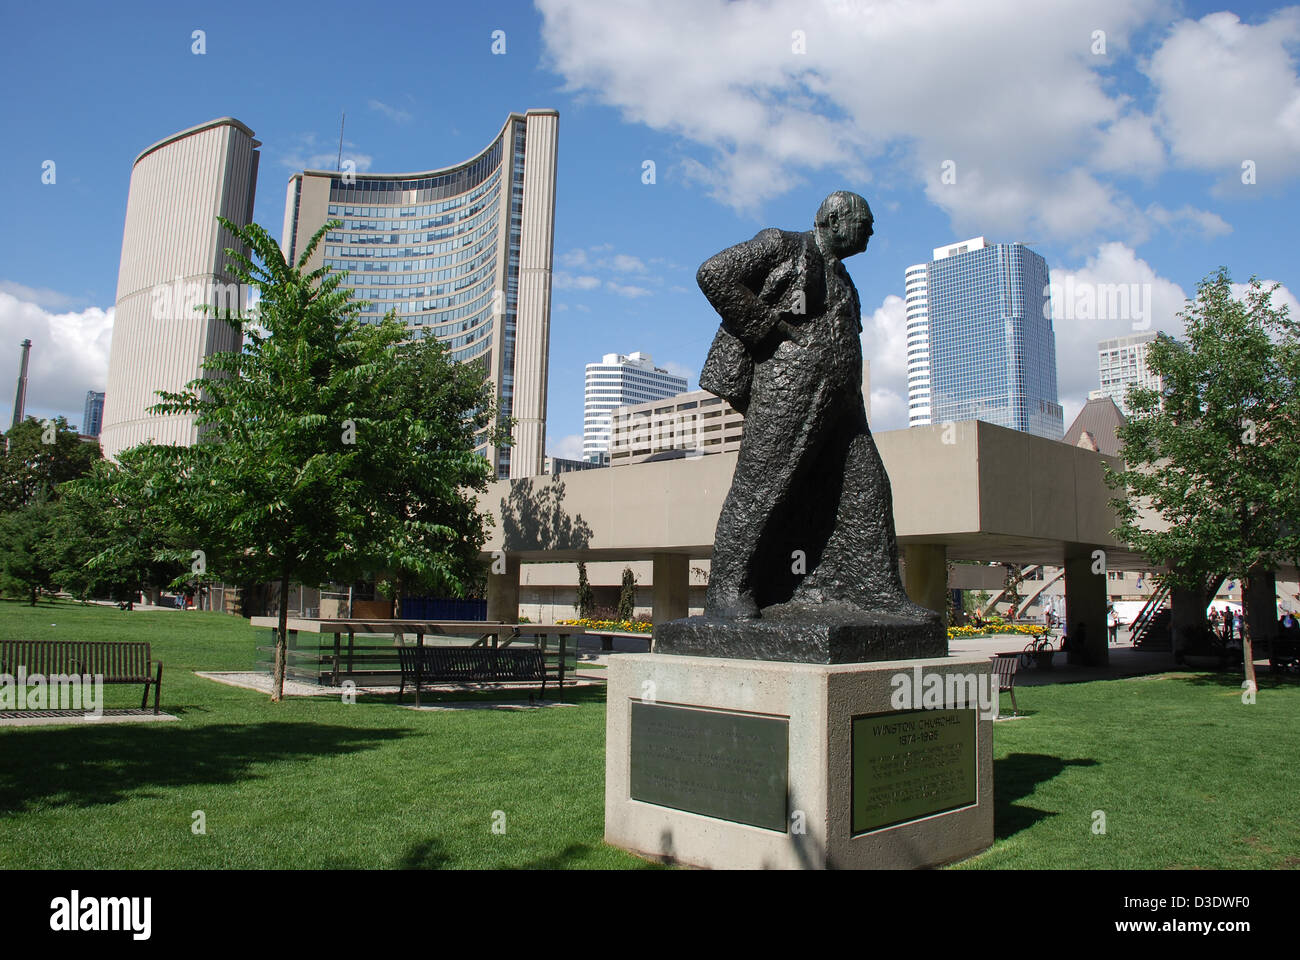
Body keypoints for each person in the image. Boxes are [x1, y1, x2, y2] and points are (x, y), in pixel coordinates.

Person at [696, 191, 932, 624]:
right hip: (787, 388)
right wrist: (768, 330)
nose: (872, 230)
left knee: (868, 487)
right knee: (761, 487)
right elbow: (713, 273)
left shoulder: (843, 277)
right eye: (866, 220)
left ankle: (876, 593)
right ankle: (728, 591)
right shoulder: (783, 244)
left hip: (843, 402)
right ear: (834, 218)